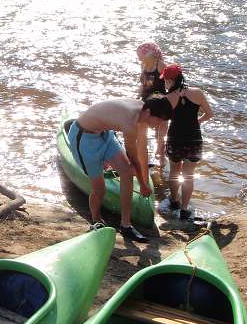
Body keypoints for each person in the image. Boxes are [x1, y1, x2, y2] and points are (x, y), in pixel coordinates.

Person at [68, 97, 173, 242]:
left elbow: (138, 151)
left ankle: (126, 225)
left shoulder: (143, 110)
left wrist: (141, 177)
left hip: (105, 134)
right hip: (84, 137)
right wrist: (143, 184)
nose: (159, 125)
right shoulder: (130, 123)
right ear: (149, 112)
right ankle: (96, 221)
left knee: (126, 172)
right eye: (159, 120)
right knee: (100, 190)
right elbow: (133, 157)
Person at [160, 64, 214, 220]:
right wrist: (197, 122)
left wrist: (160, 144)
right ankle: (184, 209)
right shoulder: (197, 93)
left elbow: (163, 124)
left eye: (165, 80)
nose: (165, 83)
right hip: (194, 139)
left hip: (175, 139)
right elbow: (210, 114)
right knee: (189, 175)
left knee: (174, 172)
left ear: (170, 80)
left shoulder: (167, 98)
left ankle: (174, 201)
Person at [136, 42, 168, 167]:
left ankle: (161, 156)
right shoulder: (143, 64)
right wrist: (137, 97)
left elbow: (171, 83)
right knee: (142, 127)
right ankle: (142, 155)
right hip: (146, 99)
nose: (139, 58)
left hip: (159, 100)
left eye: (140, 55)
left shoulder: (160, 65)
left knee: (160, 130)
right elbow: (143, 84)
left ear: (149, 54)